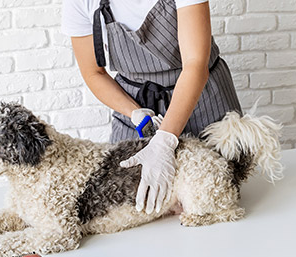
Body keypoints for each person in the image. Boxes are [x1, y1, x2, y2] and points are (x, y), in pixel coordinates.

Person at [61, 0, 242, 215]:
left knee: (210, 201)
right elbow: (94, 73)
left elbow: (195, 64)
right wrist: (133, 112)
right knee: (136, 206)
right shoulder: (81, 2)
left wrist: (165, 140)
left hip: (202, 99)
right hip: (137, 103)